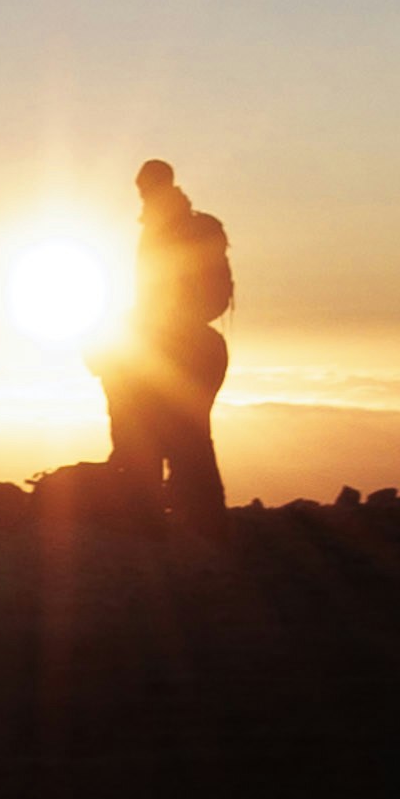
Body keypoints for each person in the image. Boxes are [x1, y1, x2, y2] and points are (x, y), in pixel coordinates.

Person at [104, 156, 234, 530]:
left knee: (162, 436)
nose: (142, 196)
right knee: (190, 440)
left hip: (174, 347)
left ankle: (156, 522)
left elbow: (157, 296)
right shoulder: (179, 226)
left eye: (144, 189)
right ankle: (203, 524)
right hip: (190, 346)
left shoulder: (166, 229)